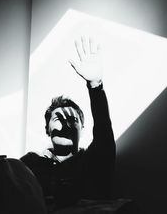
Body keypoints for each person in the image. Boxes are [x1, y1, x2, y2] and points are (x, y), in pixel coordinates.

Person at [20, 35, 116, 212]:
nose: (66, 125)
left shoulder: (93, 159)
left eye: (73, 120)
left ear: (82, 128)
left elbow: (103, 128)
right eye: (58, 120)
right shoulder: (29, 164)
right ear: (47, 129)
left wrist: (95, 86)